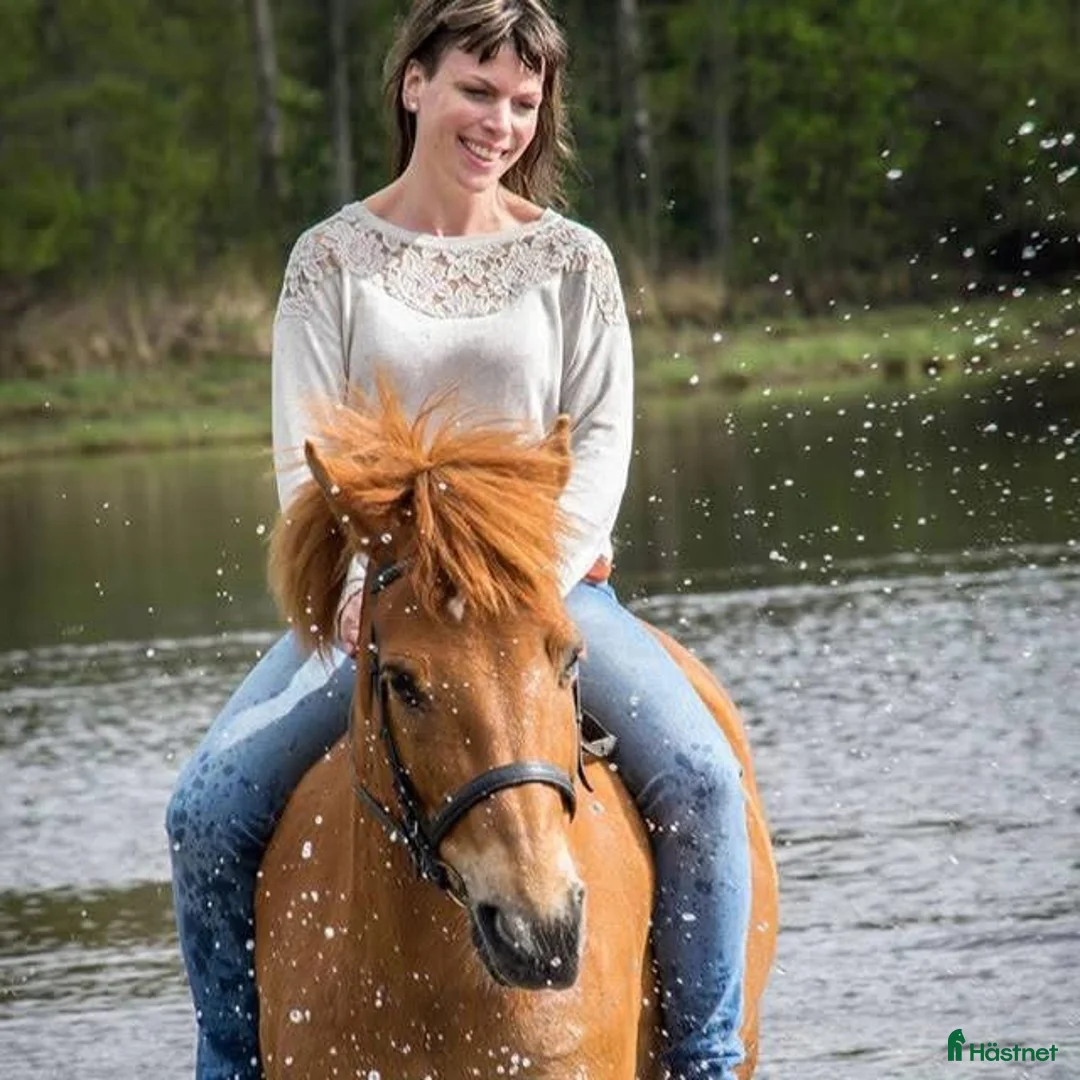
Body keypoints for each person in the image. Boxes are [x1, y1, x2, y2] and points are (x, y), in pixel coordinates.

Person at [165, 1, 751, 1077]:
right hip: (383, 603)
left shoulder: (573, 261)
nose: (500, 122)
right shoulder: (330, 261)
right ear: (414, 85)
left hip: (546, 597)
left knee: (703, 780)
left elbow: (603, 445)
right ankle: (232, 1064)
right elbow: (307, 454)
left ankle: (704, 1060)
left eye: (524, 102)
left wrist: (533, 580)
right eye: (477, 90)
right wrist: (351, 581)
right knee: (204, 810)